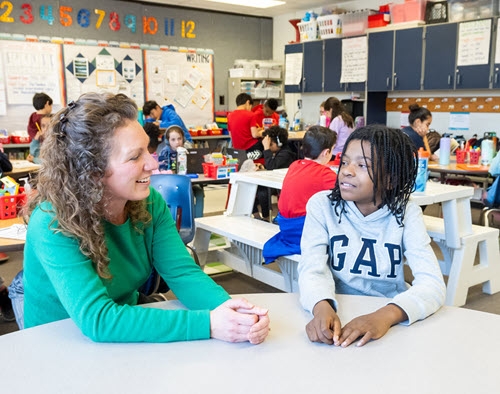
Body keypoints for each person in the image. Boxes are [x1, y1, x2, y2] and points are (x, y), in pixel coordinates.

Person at [22, 92, 270, 344]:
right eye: (134, 156)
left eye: (147, 150)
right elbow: (98, 319)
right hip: (57, 345)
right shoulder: (52, 221)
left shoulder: (148, 202)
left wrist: (231, 312)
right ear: (92, 171)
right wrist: (207, 323)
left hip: (125, 333)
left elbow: (183, 274)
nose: (152, 164)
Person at [298, 125, 446, 348]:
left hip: (390, 319)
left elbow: (432, 284)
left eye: (362, 165)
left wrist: (383, 317)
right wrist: (320, 306)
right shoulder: (322, 206)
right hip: (337, 313)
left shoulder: (406, 213)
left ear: (390, 179)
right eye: (345, 162)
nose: (347, 171)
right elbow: (311, 267)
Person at [263, 126, 337, 263]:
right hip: (302, 233)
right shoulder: (326, 175)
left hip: (286, 229)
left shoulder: (295, 165)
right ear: (326, 152)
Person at [157, 125, 205, 218]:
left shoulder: (187, 151)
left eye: (179, 139)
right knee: (187, 195)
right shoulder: (165, 153)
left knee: (199, 192)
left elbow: (195, 166)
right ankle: (186, 219)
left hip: (187, 181)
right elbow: (163, 171)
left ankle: (198, 221)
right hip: (172, 185)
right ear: (168, 141)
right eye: (173, 140)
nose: (177, 142)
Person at [252, 125, 296, 221]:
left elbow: (272, 166)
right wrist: (262, 167)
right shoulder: (278, 152)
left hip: (282, 183)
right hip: (274, 179)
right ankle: (256, 215)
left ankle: (266, 217)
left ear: (279, 143)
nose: (269, 146)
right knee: (250, 187)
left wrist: (266, 149)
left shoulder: (286, 153)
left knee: (262, 191)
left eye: (270, 144)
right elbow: (271, 166)